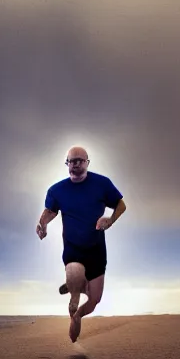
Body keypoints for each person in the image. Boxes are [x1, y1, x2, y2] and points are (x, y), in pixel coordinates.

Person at [36, 146, 127, 342]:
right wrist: (42, 224)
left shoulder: (102, 184)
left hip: (96, 249)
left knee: (95, 300)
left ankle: (78, 314)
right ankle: (74, 293)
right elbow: (50, 211)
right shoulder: (56, 190)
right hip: (73, 248)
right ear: (67, 164)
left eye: (80, 160)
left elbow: (121, 204)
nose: (76, 164)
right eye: (72, 160)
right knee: (75, 273)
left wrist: (110, 220)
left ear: (87, 162)